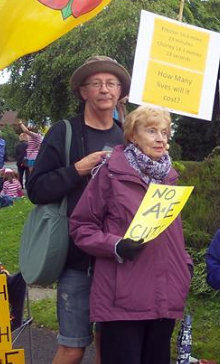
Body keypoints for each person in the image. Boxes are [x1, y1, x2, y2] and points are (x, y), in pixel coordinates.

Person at [26, 55, 130, 364]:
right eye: (95, 83)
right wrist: (76, 170)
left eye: (111, 83)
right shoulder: (63, 132)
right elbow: (36, 189)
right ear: (83, 92)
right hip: (77, 260)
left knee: (107, 346)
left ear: (120, 92)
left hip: (115, 258)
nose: (104, 89)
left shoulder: (127, 136)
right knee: (72, 347)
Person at [70, 105, 193, 364]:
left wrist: (185, 264)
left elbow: (173, 237)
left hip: (164, 296)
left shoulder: (168, 178)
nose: (161, 138)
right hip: (123, 299)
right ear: (132, 136)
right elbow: (81, 227)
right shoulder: (110, 174)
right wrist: (116, 245)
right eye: (151, 131)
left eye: (165, 132)